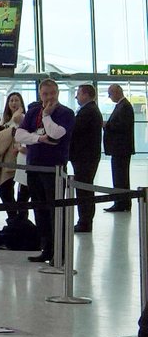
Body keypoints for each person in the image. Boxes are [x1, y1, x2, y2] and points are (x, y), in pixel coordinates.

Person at [15, 78, 75, 263]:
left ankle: (60, 252)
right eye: (45, 94)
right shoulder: (33, 112)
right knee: (39, 209)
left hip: (54, 168)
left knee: (55, 210)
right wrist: (39, 139)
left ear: (57, 93)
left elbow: (57, 134)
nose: (49, 97)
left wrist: (47, 116)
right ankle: (46, 249)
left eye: (52, 93)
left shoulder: (66, 113)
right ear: (40, 94)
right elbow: (19, 134)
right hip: (34, 166)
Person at [0, 92, 31, 220]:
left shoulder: (22, 118)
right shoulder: (5, 120)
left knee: (19, 194)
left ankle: (18, 221)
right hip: (4, 160)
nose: (13, 103)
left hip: (17, 160)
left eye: (16, 100)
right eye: (11, 100)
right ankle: (14, 219)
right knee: (5, 192)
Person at [70, 84, 102, 233]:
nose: (76, 96)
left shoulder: (87, 112)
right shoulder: (91, 110)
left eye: (79, 93)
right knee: (85, 189)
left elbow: (75, 131)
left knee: (84, 190)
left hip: (84, 157)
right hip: (87, 156)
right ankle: (85, 220)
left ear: (86, 95)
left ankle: (85, 221)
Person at [104, 84, 134, 212]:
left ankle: (121, 203)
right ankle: (121, 202)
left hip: (121, 148)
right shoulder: (122, 106)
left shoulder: (124, 106)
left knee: (120, 177)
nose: (109, 97)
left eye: (110, 94)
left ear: (117, 92)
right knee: (120, 176)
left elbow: (122, 126)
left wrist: (107, 125)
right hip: (120, 149)